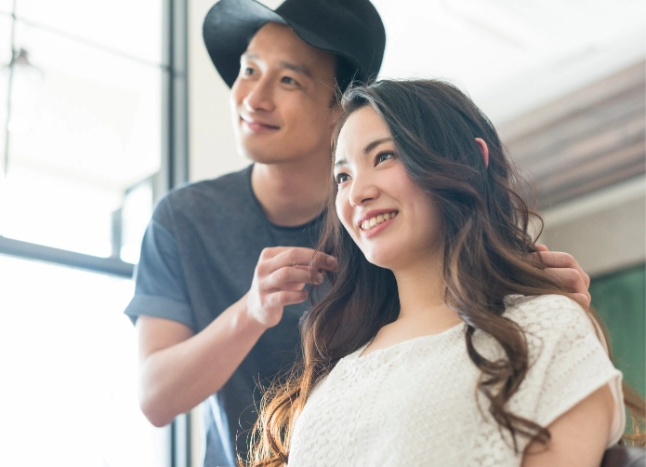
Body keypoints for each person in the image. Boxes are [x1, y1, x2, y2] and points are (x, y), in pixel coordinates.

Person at [124, 1, 593, 466]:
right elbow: (155, 398)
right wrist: (252, 311)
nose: (254, 97)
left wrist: (536, 309)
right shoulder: (183, 219)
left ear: (339, 109)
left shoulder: (393, 232)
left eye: (288, 79)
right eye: (249, 69)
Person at [248, 80, 646, 467]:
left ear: (471, 160)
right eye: (342, 177)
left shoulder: (546, 330)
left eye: (384, 156)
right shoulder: (336, 370)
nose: (356, 194)